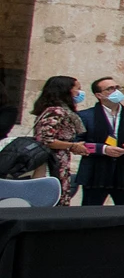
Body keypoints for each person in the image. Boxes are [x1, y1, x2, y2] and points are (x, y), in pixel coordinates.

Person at [74, 75, 124, 206]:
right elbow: (76, 144)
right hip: (95, 173)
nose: (116, 91)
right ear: (99, 95)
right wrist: (103, 149)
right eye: (110, 89)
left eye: (117, 87)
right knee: (90, 213)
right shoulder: (85, 116)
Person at [31, 77, 86, 206]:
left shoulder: (62, 111)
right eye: (77, 88)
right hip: (52, 162)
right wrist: (73, 145)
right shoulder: (55, 111)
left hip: (61, 161)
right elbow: (46, 139)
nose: (79, 92)